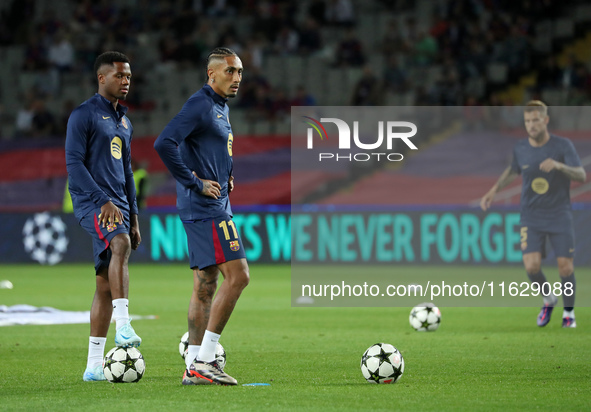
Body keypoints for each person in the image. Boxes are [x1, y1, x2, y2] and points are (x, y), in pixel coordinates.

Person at [154, 47, 248, 386]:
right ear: (212, 74)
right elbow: (164, 143)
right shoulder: (201, 104)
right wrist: (194, 182)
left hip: (214, 204)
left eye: (239, 72)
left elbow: (213, 148)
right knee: (238, 277)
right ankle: (206, 360)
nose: (236, 78)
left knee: (205, 285)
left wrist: (227, 174)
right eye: (230, 72)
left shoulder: (219, 107)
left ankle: (194, 363)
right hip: (206, 208)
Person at [65, 51, 142, 382]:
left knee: (103, 285)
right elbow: (74, 164)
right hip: (90, 202)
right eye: (119, 76)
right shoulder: (83, 115)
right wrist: (101, 201)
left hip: (119, 206)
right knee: (119, 243)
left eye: (128, 77)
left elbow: (126, 172)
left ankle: (94, 366)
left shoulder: (125, 122)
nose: (125, 82)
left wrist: (134, 216)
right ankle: (123, 325)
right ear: (102, 78)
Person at [480, 100, 586, 328]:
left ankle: (569, 313)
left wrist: (559, 166)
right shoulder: (521, 148)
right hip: (531, 215)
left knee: (565, 267)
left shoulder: (562, 145)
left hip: (559, 213)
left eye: (535, 120)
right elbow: (513, 170)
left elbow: (581, 175)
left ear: (545, 120)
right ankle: (549, 299)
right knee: (531, 266)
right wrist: (494, 190)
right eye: (527, 121)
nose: (531, 125)